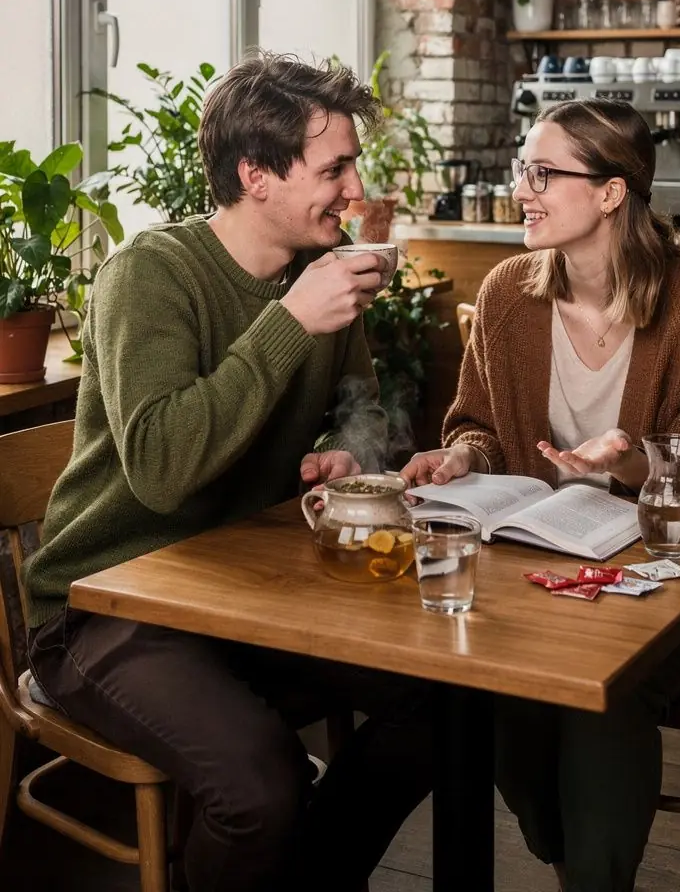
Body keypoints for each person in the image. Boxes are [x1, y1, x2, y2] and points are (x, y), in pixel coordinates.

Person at [24, 51, 432, 892]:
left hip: (244, 595)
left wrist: (350, 449)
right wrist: (289, 322)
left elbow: (359, 408)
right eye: (335, 168)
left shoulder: (321, 276)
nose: (356, 190)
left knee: (448, 703)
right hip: (104, 607)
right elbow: (164, 473)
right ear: (256, 175)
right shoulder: (151, 274)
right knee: (261, 787)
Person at [401, 98, 680, 892]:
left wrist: (634, 466)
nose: (522, 189)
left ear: (612, 192)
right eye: (522, 168)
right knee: (486, 682)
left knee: (602, 689)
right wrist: (460, 459)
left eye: (544, 172)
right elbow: (477, 426)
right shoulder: (508, 294)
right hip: (543, 576)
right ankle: (573, 861)